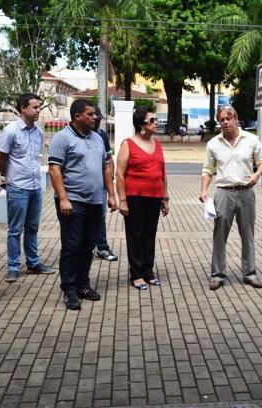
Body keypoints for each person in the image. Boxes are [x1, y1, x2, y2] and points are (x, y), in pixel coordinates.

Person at [48, 99, 117, 310]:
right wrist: (63, 198)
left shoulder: (97, 137)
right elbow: (54, 169)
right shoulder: (62, 138)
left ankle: (82, 284)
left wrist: (111, 194)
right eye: (90, 114)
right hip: (73, 202)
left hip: (95, 201)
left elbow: (106, 166)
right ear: (77, 116)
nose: (95, 117)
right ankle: (69, 288)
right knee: (72, 245)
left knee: (88, 245)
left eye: (95, 114)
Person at [199, 105, 262, 290]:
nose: (225, 122)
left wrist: (257, 175)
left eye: (229, 118)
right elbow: (208, 169)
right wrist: (203, 190)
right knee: (219, 235)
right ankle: (217, 275)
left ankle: (250, 273)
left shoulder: (251, 140)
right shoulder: (213, 144)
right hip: (223, 192)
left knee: (248, 234)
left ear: (236, 118)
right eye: (222, 119)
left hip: (246, 192)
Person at [0, 94, 55, 282]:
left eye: (39, 107)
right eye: (35, 107)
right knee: (15, 230)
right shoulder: (10, 131)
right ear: (23, 108)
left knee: (33, 227)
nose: (38, 110)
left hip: (35, 187)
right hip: (18, 187)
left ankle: (33, 263)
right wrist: (10, 178)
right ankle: (13, 266)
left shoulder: (38, 131)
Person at [116, 107, 170, 290]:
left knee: (150, 235)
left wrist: (165, 198)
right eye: (152, 120)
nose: (156, 123)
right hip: (134, 197)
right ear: (141, 125)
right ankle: (137, 274)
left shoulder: (158, 144)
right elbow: (120, 174)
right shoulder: (128, 144)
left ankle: (148, 271)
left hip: (154, 197)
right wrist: (122, 200)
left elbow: (163, 174)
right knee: (136, 236)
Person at [92, 107, 119, 262]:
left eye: (99, 119)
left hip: (101, 185)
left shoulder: (101, 135)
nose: (97, 122)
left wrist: (111, 183)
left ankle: (101, 247)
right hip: (81, 188)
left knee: (100, 217)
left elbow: (109, 159)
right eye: (95, 118)